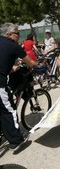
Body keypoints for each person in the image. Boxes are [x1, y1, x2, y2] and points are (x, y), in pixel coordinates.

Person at [0, 23, 36, 151]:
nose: (19, 36)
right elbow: (31, 62)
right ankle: (17, 140)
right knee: (9, 110)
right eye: (17, 33)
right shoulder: (13, 45)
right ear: (10, 34)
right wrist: (38, 63)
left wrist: (11, 68)